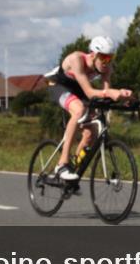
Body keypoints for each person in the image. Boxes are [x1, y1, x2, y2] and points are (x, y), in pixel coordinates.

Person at [45, 37, 132, 182]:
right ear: (93, 54)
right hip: (58, 85)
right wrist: (111, 92)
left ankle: (73, 171)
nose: (107, 63)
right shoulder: (76, 59)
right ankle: (62, 164)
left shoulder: (107, 68)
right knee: (78, 110)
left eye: (110, 58)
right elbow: (90, 92)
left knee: (91, 132)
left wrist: (123, 97)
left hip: (78, 88)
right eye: (104, 58)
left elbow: (106, 94)